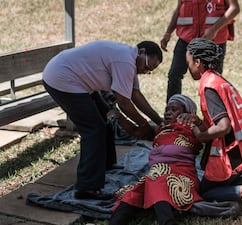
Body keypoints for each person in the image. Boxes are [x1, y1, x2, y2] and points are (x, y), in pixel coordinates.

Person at [42, 40, 164, 200]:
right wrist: (144, 126)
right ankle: (87, 188)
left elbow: (136, 95)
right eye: (147, 66)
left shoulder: (130, 60)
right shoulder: (126, 61)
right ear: (141, 52)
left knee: (104, 118)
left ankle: (106, 165)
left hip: (78, 80)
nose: (145, 71)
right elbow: (124, 103)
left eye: (149, 71)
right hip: (62, 78)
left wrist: (158, 120)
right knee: (94, 129)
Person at [181, 37, 242, 221]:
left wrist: (201, 136)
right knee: (223, 181)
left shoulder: (208, 85)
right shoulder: (217, 79)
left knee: (204, 192)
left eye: (188, 62)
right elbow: (217, 119)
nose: (188, 68)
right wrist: (197, 121)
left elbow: (223, 126)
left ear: (198, 62)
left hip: (233, 152)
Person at [109, 94, 204, 225]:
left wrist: (196, 120)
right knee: (133, 194)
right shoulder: (160, 130)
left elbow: (208, 131)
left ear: (186, 113)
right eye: (167, 110)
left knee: (155, 181)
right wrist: (120, 117)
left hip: (182, 176)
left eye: (174, 110)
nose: (168, 113)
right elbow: (137, 132)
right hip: (157, 174)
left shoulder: (192, 127)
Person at [160, 0, 240, 101]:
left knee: (214, 79)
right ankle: (172, 110)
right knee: (174, 74)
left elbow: (234, 8)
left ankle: (214, 113)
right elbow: (179, 9)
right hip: (187, 38)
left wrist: (214, 29)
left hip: (214, 40)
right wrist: (168, 33)